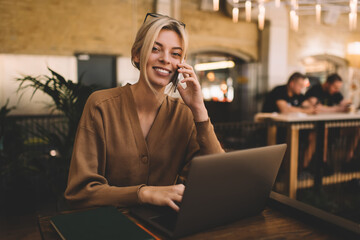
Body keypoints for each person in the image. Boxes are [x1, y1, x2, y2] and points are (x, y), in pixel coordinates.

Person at [64, 13, 224, 212]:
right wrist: (144, 193)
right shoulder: (101, 105)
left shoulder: (185, 115)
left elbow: (219, 179)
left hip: (163, 226)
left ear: (181, 64)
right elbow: (79, 192)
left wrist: (199, 110)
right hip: (109, 224)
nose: (165, 59)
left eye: (175, 54)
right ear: (136, 54)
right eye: (155, 49)